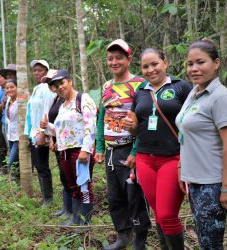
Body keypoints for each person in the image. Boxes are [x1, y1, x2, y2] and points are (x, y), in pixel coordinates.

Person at [123, 48, 193, 249]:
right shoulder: (140, 92)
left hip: (173, 159)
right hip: (145, 160)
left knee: (166, 214)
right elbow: (137, 129)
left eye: (155, 64)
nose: (150, 70)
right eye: (145, 66)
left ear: (165, 63)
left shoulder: (181, 87)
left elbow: (195, 121)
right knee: (158, 212)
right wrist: (132, 127)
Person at [175, 39, 227, 250]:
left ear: (216, 63)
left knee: (211, 244)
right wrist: (182, 167)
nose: (194, 68)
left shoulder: (220, 97)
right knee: (204, 241)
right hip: (195, 181)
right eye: (190, 64)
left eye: (200, 62)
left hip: (213, 183)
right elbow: (185, 132)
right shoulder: (194, 93)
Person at [94, 39, 151, 250]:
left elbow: (143, 120)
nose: (114, 62)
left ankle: (140, 240)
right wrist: (100, 147)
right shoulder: (107, 86)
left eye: (119, 57)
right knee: (114, 196)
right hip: (111, 151)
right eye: (110, 58)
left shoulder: (140, 85)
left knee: (134, 196)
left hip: (129, 150)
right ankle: (122, 236)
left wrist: (135, 151)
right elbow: (102, 118)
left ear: (129, 59)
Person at [47, 69, 96, 226]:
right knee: (73, 186)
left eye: (62, 83)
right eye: (56, 85)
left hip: (79, 150)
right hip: (65, 152)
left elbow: (91, 125)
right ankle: (76, 219)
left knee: (84, 186)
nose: (60, 87)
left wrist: (86, 150)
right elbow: (60, 129)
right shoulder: (63, 105)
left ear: (70, 81)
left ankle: (85, 222)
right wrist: (46, 127)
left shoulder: (83, 99)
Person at [40, 69, 72, 220]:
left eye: (54, 83)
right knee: (63, 176)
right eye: (50, 83)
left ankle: (72, 211)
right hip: (58, 143)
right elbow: (56, 124)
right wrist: (52, 139)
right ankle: (66, 208)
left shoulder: (69, 101)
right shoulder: (57, 100)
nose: (52, 86)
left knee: (70, 178)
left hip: (69, 145)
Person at [24, 60, 56, 207]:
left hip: (43, 133)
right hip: (35, 133)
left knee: (42, 165)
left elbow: (47, 111)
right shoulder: (36, 89)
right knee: (38, 164)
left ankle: (48, 198)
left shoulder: (46, 88)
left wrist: (44, 133)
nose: (36, 73)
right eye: (34, 70)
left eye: (40, 70)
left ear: (46, 72)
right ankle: (45, 196)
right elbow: (31, 114)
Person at [5, 79, 19, 178]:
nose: (9, 89)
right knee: (16, 162)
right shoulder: (9, 100)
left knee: (10, 162)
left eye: (12, 87)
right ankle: (16, 181)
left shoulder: (21, 100)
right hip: (10, 134)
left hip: (19, 136)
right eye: (7, 88)